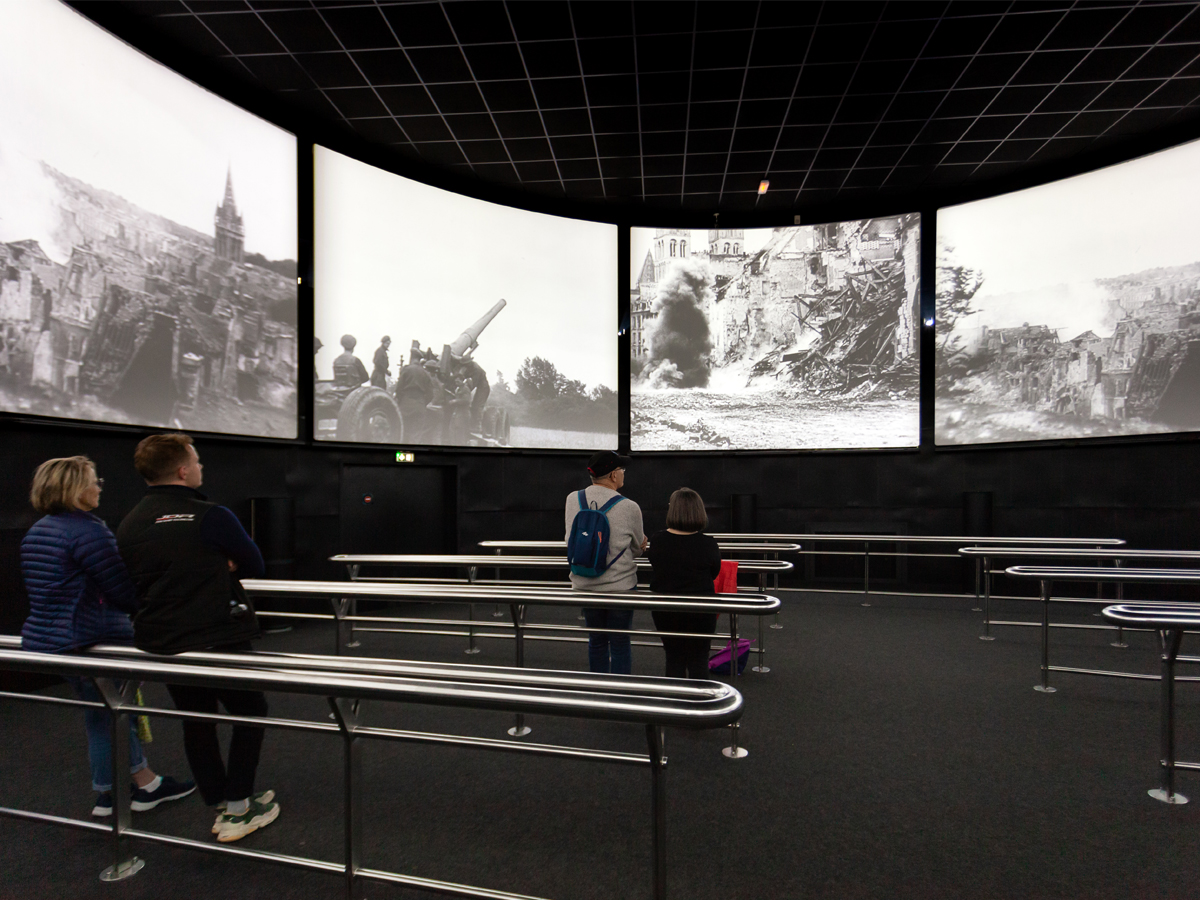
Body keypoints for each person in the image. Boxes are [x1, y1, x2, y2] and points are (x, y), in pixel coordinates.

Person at [116, 433, 279, 843]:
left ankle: (222, 801)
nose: (201, 467)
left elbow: (129, 584)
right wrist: (219, 564)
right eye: (198, 461)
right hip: (217, 637)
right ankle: (239, 808)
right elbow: (255, 563)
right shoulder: (211, 515)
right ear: (184, 470)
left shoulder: (130, 521)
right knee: (250, 711)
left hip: (163, 641)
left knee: (197, 721)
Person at [19, 455, 195, 817]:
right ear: (75, 489)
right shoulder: (88, 531)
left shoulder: (40, 530)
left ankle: (117, 792)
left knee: (101, 716)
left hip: (55, 641)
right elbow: (120, 589)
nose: (99, 487)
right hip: (93, 641)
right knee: (112, 715)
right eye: (94, 481)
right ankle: (140, 788)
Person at [565, 450, 647, 674]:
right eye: (622, 470)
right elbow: (637, 549)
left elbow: (570, 539)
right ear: (613, 475)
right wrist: (641, 545)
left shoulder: (573, 499)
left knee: (596, 640)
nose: (623, 474)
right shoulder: (630, 507)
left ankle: (598, 693)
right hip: (619, 588)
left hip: (584, 586)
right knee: (620, 643)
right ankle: (619, 697)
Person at [646, 488, 722, 679]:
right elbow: (714, 572)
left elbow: (656, 566)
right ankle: (700, 704)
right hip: (701, 609)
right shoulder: (708, 544)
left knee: (673, 657)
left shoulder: (658, 540)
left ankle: (675, 704)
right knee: (699, 659)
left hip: (666, 609)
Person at [395, 350, 437, 443]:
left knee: (403, 433)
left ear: (412, 357)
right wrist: (422, 403)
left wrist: (401, 401)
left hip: (405, 405)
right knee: (416, 435)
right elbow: (431, 394)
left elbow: (399, 388)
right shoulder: (425, 373)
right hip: (419, 405)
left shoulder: (406, 369)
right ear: (419, 359)